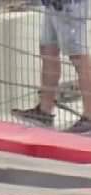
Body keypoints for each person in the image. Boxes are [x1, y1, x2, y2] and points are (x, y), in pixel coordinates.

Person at [12, 0, 91, 133]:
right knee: (48, 48)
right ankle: (44, 111)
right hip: (53, 5)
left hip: (68, 5)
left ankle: (89, 117)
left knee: (78, 55)